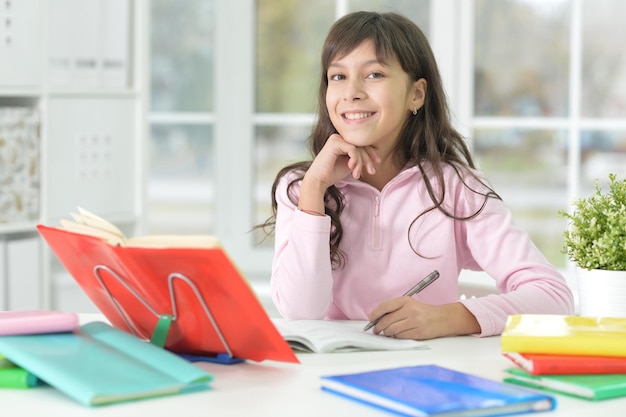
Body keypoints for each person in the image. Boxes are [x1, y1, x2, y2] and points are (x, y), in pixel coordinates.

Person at [260, 11, 574, 340]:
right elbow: (300, 313)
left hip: (427, 374)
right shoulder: (299, 188)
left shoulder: (456, 188)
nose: (351, 92)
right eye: (337, 77)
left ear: (416, 94)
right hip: (325, 377)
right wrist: (315, 188)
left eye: (374, 74)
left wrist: (449, 318)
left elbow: (553, 295)